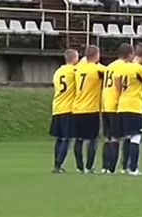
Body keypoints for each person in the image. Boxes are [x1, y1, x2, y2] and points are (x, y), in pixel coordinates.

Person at [116, 45, 142, 176]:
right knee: (136, 136)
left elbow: (117, 81)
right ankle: (133, 168)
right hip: (134, 106)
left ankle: (124, 166)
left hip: (122, 104)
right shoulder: (139, 69)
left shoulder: (123, 66)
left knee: (127, 137)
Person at [70, 45, 106, 173]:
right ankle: (89, 167)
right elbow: (110, 72)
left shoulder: (78, 68)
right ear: (96, 55)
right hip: (91, 109)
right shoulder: (97, 69)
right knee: (92, 139)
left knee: (78, 139)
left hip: (77, 109)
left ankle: (79, 167)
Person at [101, 43, 134, 173]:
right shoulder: (124, 67)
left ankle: (104, 167)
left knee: (107, 138)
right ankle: (113, 168)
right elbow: (118, 82)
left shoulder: (109, 66)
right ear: (130, 55)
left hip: (105, 105)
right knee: (117, 138)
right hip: (116, 105)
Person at [50, 49, 80, 173]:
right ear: (74, 59)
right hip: (68, 108)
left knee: (59, 138)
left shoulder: (58, 72)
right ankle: (58, 164)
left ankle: (56, 163)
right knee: (67, 139)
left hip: (57, 107)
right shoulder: (74, 71)